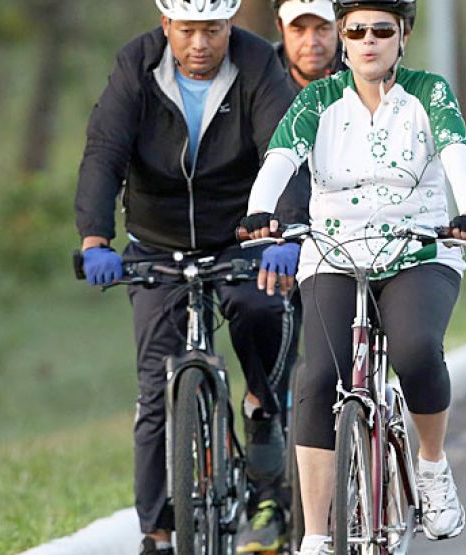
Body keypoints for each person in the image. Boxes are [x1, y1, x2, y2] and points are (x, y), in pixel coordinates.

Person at [239, 0, 466, 553]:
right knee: (316, 378)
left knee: (417, 350)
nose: (368, 40)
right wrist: (261, 212)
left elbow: (455, 153)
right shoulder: (317, 99)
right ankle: (316, 534)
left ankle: (430, 466)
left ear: (403, 36)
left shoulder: (430, 93)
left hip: (417, 250)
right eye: (356, 30)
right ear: (344, 40)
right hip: (335, 251)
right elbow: (281, 156)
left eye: (383, 30)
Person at [73, 1, 308, 553]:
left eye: (213, 30)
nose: (200, 44)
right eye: (187, 31)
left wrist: (286, 233)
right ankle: (156, 534)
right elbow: (105, 151)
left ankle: (263, 411)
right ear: (166, 27)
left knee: (261, 309)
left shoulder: (255, 64)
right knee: (155, 394)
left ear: (230, 27)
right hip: (157, 243)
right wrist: (95, 239)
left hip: (244, 236)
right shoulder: (137, 64)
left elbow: (286, 147)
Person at [272, 0, 346, 91]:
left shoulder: (359, 71)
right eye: (298, 30)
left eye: (323, 29)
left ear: (339, 26)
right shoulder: (260, 75)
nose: (311, 42)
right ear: (280, 27)